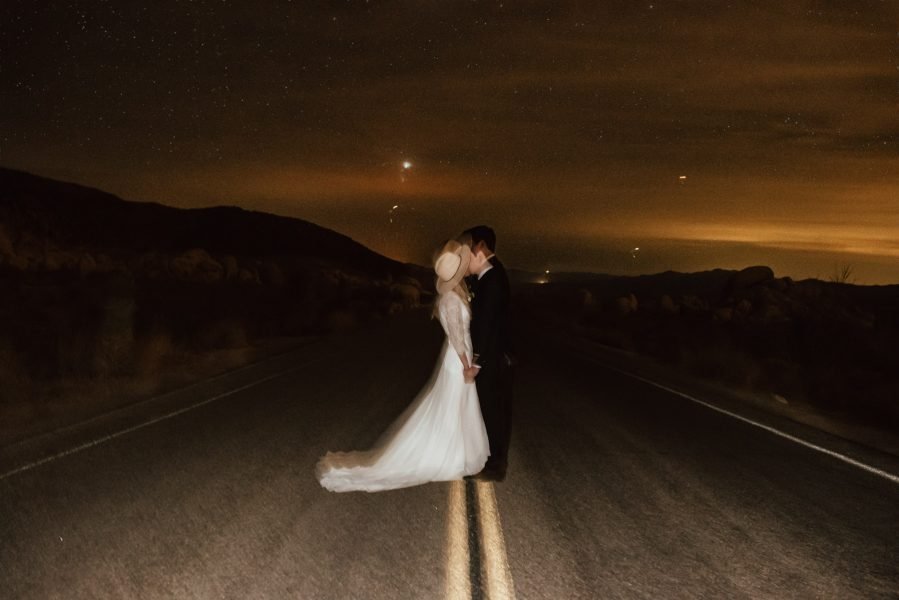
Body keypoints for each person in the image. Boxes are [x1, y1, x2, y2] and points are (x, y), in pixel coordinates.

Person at [316, 240, 489, 492]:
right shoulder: (450, 299)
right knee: (451, 408)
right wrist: (466, 365)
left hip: (459, 357)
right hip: (456, 360)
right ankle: (447, 457)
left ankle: (458, 453)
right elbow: (455, 336)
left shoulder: (454, 295)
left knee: (456, 407)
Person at [460, 225, 513, 481]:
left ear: (480, 247)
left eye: (468, 246)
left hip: (490, 358)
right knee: (488, 409)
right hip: (491, 356)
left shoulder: (493, 278)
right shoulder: (486, 277)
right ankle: (488, 461)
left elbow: (487, 324)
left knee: (492, 410)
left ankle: (494, 467)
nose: (465, 252)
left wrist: (476, 361)